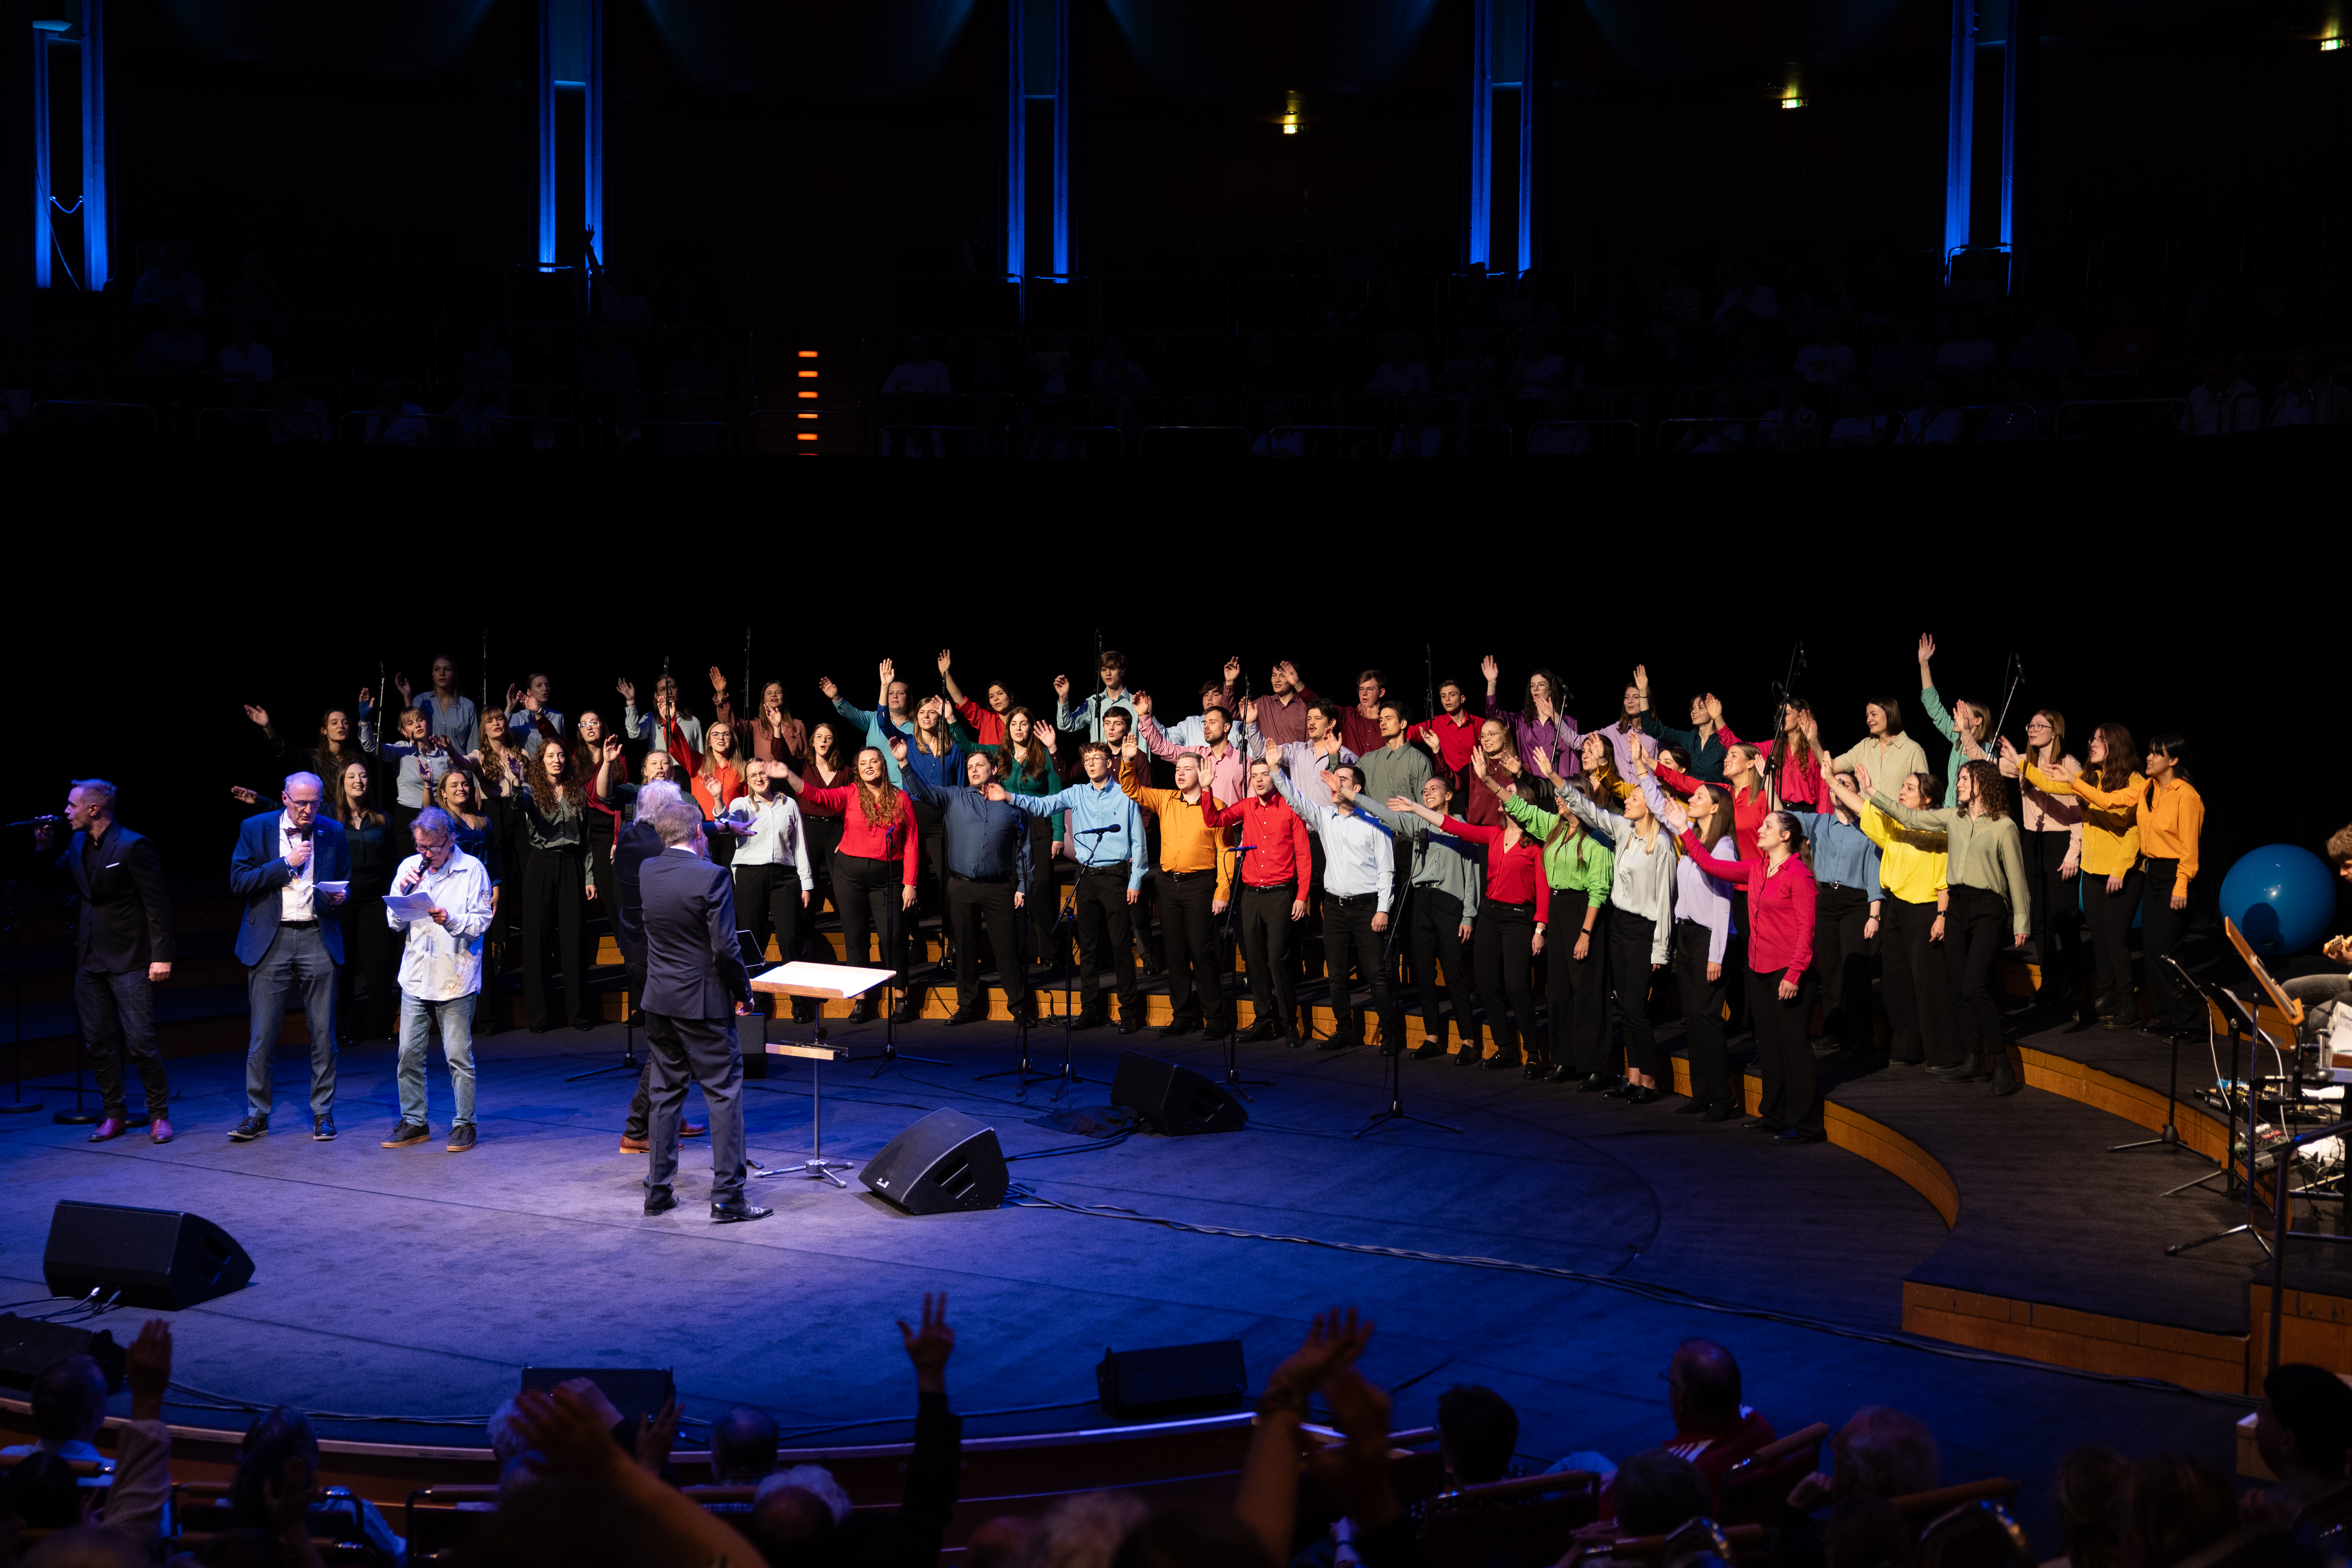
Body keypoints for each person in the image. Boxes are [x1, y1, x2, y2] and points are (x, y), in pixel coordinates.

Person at [1844, 760, 2028, 1095]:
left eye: (1964, 779)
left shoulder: (2004, 826)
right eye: (1958, 778)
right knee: (1958, 987)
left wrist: (2022, 920)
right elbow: (1910, 818)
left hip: (1989, 908)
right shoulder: (1952, 818)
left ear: (1982, 785)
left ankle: (2000, 1062)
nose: (1958, 784)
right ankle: (1973, 1060)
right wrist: (1872, 793)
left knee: (1975, 987)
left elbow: (2016, 877)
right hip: (1958, 905)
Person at [637, 802, 768, 1223]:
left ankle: (658, 1192)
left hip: (659, 1002)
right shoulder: (712, 877)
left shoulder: (647, 871)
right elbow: (725, 948)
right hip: (703, 1005)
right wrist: (745, 992)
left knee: (665, 1094)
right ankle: (728, 1198)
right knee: (724, 1094)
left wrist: (716, 825)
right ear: (698, 832)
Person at [34, 780, 175, 1144]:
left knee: (141, 1041)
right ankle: (114, 1113)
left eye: (72, 805)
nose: (66, 812)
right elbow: (56, 879)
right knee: (98, 1043)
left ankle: (159, 1115)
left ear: (93, 809)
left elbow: (157, 905)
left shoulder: (133, 845)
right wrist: (44, 848)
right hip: (88, 958)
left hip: (129, 957)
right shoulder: (78, 842)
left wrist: (161, 956)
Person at [2037, 734, 2203, 1038]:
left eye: (2157, 754)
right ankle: (2165, 1018)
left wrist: (2181, 885)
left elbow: (2190, 849)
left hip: (2178, 876)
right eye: (2149, 752)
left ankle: (2191, 1021)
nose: (2150, 758)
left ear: (2174, 760)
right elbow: (2108, 800)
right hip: (2155, 873)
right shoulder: (2147, 789)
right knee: (2153, 951)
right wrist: (2073, 781)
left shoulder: (2187, 796)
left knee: (2167, 953)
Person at [1677, 803, 1821, 1143]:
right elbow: (1711, 865)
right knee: (1769, 1045)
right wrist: (1684, 829)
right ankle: (1773, 1114)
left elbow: (1807, 930)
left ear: (1786, 836)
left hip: (1788, 971)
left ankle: (1807, 1125)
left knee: (1794, 1048)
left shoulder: (1799, 876)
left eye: (1768, 827)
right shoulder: (1758, 869)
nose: (1761, 830)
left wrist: (1794, 974)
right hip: (1759, 967)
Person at [1545, 740, 1678, 1099]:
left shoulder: (1661, 844)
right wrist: (1556, 779)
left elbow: (1666, 901)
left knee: (1636, 1008)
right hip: (1619, 926)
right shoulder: (1624, 831)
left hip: (1643, 931)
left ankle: (1649, 1080)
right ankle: (1633, 1077)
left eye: (1634, 799)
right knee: (1626, 1006)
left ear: (1649, 806)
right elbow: (1588, 809)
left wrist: (1661, 951)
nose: (1628, 802)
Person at [1392, 759, 1544, 1069]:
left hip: (1518, 917)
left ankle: (1534, 1054)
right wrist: (1415, 808)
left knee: (1516, 986)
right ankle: (1506, 1049)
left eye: (1509, 793)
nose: (1502, 799)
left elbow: (1542, 889)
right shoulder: (1493, 835)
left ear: (1523, 803)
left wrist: (1540, 928)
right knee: (1487, 984)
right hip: (1491, 914)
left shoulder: (1536, 846)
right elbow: (1452, 826)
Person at [229, 773, 350, 1143]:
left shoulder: (333, 831)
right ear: (284, 798)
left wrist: (339, 896)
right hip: (272, 938)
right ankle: (257, 1115)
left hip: (317, 935)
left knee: (323, 1034)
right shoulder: (255, 827)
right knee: (263, 1035)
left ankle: (323, 1113)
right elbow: (239, 881)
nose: (308, 810)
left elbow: (344, 880)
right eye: (300, 803)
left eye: (314, 803)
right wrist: (286, 863)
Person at [993, 742, 1144, 1033]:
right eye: (1087, 759)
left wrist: (1136, 879)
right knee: (1086, 947)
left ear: (1109, 763)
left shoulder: (1126, 795)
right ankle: (1090, 1011)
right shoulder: (1076, 793)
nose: (1090, 764)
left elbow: (1139, 842)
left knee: (1120, 947)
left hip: (1115, 875)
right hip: (1085, 875)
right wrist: (1010, 796)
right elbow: (1043, 805)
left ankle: (1129, 1013)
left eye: (1097, 758)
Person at [380, 808, 496, 1153]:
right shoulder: (409, 869)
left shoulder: (472, 870)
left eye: (432, 848)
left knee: (458, 1055)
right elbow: (393, 922)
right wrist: (401, 897)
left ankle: (465, 1124)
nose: (425, 855)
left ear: (450, 841)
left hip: (454, 975)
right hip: (416, 974)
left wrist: (450, 920)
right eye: (420, 847)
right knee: (407, 1054)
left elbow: (482, 921)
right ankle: (415, 1122)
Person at [1267, 758, 1401, 1052]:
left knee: (1376, 973)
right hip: (1336, 908)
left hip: (1368, 908)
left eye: (1340, 779)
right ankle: (1344, 1031)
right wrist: (1276, 771)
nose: (1332, 783)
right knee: (1337, 974)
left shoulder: (1375, 823)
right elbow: (1296, 800)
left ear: (1356, 788)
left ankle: (1390, 1032)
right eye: (1332, 778)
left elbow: (1386, 871)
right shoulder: (1326, 817)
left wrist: (1383, 909)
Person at [896, 738, 1031, 1027]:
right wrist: (905, 764)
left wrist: (1023, 885)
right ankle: (967, 1005)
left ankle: (1019, 1006)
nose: (973, 770)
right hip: (960, 885)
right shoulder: (954, 796)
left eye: (979, 765)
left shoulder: (1012, 804)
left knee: (1007, 946)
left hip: (998, 887)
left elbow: (1025, 849)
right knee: (964, 947)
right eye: (969, 767)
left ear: (994, 769)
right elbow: (921, 791)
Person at [783, 747, 922, 1024]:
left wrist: (911, 883)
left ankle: (902, 996)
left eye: (874, 762)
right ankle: (861, 999)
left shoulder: (902, 798)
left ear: (883, 766)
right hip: (849, 876)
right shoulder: (851, 793)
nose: (868, 766)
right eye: (862, 763)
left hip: (888, 878)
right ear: (857, 770)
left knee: (892, 937)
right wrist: (789, 776)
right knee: (856, 939)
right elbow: (818, 796)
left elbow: (912, 842)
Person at [1637, 770, 1744, 1116]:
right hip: (1688, 934)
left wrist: (1716, 955)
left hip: (1710, 938)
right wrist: (1641, 767)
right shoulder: (1692, 840)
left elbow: (1722, 905)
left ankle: (1723, 1098)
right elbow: (1659, 804)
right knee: (1693, 1016)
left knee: (1707, 1017)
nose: (1692, 801)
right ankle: (1702, 1094)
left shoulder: (1724, 848)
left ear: (1716, 809)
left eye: (1699, 797)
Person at [2022, 725, 2143, 1031]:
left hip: (2122, 871)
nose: (2093, 743)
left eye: (2101, 740)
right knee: (2099, 939)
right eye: (2092, 738)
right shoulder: (2090, 778)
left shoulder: (2136, 782)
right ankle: (2106, 998)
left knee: (2116, 941)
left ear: (2116, 745)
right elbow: (2056, 788)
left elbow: (2133, 830)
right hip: (2093, 870)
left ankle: (2129, 1003)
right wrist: (2022, 763)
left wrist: (2120, 869)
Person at [1110, 739, 1229, 1037]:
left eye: (1187, 769)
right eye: (1178, 769)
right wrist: (1127, 761)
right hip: (1168, 884)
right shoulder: (1166, 799)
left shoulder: (1215, 806)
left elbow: (1226, 851)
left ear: (1202, 774)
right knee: (1175, 953)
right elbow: (1132, 790)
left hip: (1200, 885)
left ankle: (1215, 1018)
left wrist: (1222, 891)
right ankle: (1182, 1016)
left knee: (1202, 952)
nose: (1180, 774)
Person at [613, 780, 706, 1154]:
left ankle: (671, 1116)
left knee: (674, 1044)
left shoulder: (634, 837)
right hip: (658, 958)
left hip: (641, 952)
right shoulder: (658, 849)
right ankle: (638, 1129)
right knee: (667, 1047)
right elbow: (687, 851)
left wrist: (720, 827)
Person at [1201, 757, 1311, 1043]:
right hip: (1250, 895)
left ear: (1275, 778)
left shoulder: (1290, 809)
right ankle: (1263, 1021)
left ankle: (1289, 1023)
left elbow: (1303, 855)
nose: (1260, 780)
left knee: (1277, 958)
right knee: (1255, 961)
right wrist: (1206, 790)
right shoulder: (1246, 807)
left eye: (1265, 774)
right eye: (1255, 775)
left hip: (1280, 895)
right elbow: (1214, 820)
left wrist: (1302, 896)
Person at [1851, 770, 1953, 1071]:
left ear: (1928, 798)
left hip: (1925, 911)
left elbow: (1945, 880)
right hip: (1896, 907)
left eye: (1910, 788)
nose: (1903, 791)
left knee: (1928, 984)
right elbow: (1861, 808)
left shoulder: (1939, 831)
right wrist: (1834, 781)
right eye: (1903, 786)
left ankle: (1942, 1055)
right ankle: (1908, 1047)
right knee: (1895, 982)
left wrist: (1942, 916)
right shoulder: (1895, 827)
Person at [1388, 774, 1481, 1060]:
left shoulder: (1462, 827)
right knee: (1424, 973)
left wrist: (1469, 914)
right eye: (1424, 791)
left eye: (1434, 789)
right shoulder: (1419, 824)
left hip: (1449, 901)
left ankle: (1468, 1042)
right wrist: (1351, 795)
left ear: (1449, 795)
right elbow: (1384, 814)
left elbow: (1473, 874)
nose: (1427, 793)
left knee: (1452, 972)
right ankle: (1432, 1037)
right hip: (1421, 899)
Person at [1998, 712, 2085, 1015]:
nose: (2032, 730)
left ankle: (2077, 987)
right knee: (2040, 919)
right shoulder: (2024, 760)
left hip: (2060, 843)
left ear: (2055, 731)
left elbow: (2079, 812)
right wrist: (1969, 733)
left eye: (2039, 726)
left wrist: (2074, 852)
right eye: (2030, 725)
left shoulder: (2069, 764)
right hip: (2033, 842)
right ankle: (2050, 982)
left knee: (2064, 919)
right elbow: (1984, 762)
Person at [516, 737, 599, 1033]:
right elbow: (519, 805)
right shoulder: (531, 790)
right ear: (541, 761)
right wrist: (516, 783)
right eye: (550, 755)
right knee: (537, 941)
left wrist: (589, 877)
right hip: (542, 864)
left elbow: (587, 840)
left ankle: (579, 1014)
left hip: (571, 865)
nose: (557, 760)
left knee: (573, 939)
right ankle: (540, 1017)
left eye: (561, 755)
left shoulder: (577, 792)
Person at [719, 760, 815, 1012]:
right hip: (751, 875)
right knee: (752, 939)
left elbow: (800, 846)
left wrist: (807, 884)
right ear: (747, 781)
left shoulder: (789, 804)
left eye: (762, 774)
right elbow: (728, 822)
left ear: (770, 775)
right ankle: (754, 1000)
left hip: (784, 877)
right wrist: (718, 799)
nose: (759, 779)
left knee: (790, 939)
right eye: (753, 776)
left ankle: (799, 1001)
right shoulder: (741, 805)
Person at [330, 760, 395, 1044]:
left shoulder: (382, 817)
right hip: (342, 899)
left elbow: (392, 859)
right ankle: (343, 1029)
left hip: (374, 900)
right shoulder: (330, 817)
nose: (359, 781)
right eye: (353, 776)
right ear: (343, 782)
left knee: (378, 962)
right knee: (343, 964)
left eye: (364, 776)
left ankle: (381, 1027)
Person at [1912, 635, 1997, 809]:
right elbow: (1934, 707)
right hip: (1950, 815)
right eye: (1957, 712)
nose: (1957, 716)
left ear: (1978, 721)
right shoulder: (1956, 740)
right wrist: (1924, 665)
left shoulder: (1987, 750)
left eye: (1963, 713)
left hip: (1972, 818)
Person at [1482, 655, 1582, 776]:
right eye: (1533, 686)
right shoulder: (1523, 721)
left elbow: (1574, 758)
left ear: (1551, 689)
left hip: (1561, 785)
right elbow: (1494, 717)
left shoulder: (1568, 721)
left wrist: (1575, 787)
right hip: (1532, 785)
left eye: (1541, 685)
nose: (1536, 690)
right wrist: (1492, 683)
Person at [1632, 666, 1728, 783]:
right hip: (1686, 798)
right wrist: (1643, 692)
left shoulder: (1724, 745)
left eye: (1701, 708)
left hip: (1712, 799)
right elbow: (1650, 728)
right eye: (1693, 708)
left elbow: (1728, 783)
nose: (1694, 711)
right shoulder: (1687, 739)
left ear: (1714, 712)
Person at [1831, 697, 1929, 799]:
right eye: (1868, 716)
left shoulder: (1913, 750)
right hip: (1866, 815)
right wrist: (1814, 741)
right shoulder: (1865, 747)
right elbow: (1832, 767)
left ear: (1890, 714)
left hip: (1896, 815)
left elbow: (1924, 794)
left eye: (1874, 715)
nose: (1869, 720)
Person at [1055, 650, 1141, 745]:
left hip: (1127, 760)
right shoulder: (1093, 702)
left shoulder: (1136, 704)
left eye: (1112, 669)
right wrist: (1063, 698)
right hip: (1099, 759)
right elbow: (1066, 726)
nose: (1108, 673)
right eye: (1104, 670)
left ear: (1122, 671)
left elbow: (1146, 739)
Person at [1407, 677, 1482, 784]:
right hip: (1449, 784)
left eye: (1452, 695)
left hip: (1476, 783)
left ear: (1462, 699)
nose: (1447, 699)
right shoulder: (1436, 723)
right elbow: (1412, 733)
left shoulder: (1479, 723)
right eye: (1443, 696)